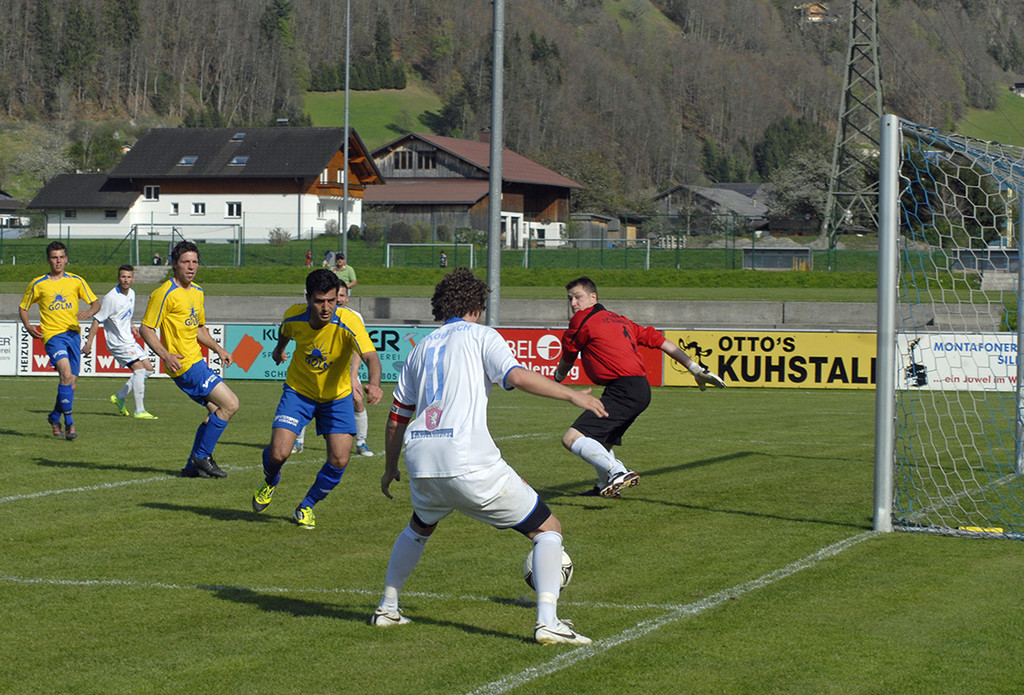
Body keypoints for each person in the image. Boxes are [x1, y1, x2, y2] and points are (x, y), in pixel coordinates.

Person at [372, 268, 607, 646]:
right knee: (548, 529)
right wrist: (572, 394)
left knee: (419, 527)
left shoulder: (420, 348)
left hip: (422, 458)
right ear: (478, 307)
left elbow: (398, 415)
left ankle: (387, 607)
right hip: (466, 458)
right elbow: (516, 376)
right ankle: (548, 622)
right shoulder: (482, 336)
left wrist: (389, 468)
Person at [553, 276, 726, 498]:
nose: (573, 303)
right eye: (570, 299)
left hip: (624, 390)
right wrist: (694, 368)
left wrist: (556, 379)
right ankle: (605, 486)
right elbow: (661, 341)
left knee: (572, 438)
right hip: (638, 389)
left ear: (593, 297)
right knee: (600, 442)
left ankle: (618, 472)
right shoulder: (621, 320)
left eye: (578, 297)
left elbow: (568, 355)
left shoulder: (582, 320)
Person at [251, 269, 383, 529]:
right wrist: (279, 350)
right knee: (278, 453)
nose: (326, 308)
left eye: (332, 300)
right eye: (319, 301)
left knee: (340, 460)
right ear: (308, 298)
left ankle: (306, 505)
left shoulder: (349, 321)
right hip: (299, 392)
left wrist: (375, 384)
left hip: (337, 397)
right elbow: (285, 331)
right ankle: (270, 479)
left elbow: (371, 357)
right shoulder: (294, 315)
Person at [140, 240, 239, 478]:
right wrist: (165, 354)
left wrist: (219, 349)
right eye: (186, 262)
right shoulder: (164, 293)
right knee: (231, 404)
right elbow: (146, 328)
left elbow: (198, 329)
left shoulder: (197, 292)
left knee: (215, 412)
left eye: (195, 262)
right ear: (175, 264)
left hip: (197, 361)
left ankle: (191, 467)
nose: (191, 266)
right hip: (184, 364)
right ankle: (202, 457)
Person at [18, 241, 100, 441]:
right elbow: (23, 307)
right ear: (48, 260)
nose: (58, 261)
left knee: (71, 383)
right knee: (65, 373)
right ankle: (69, 423)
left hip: (73, 335)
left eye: (61, 257)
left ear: (66, 259)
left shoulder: (76, 281)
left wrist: (89, 311)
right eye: (54, 257)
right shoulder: (38, 284)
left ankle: (55, 417)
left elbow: (96, 303)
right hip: (53, 336)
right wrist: (28, 325)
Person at [292, 279, 375, 457]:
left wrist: (353, 376)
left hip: (344, 371)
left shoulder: (354, 318)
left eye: (342, 296)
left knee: (357, 400)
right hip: (318, 370)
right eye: (336, 296)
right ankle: (298, 441)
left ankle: (361, 443)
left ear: (347, 298)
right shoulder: (316, 314)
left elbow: (359, 350)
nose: (339, 300)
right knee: (305, 399)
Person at [83, 264, 158, 420]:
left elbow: (126, 314)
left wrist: (132, 326)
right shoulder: (111, 298)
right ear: (118, 278)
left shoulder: (132, 293)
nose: (126, 280)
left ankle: (120, 396)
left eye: (129, 277)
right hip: (118, 342)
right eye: (123, 277)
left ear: (133, 279)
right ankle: (139, 410)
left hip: (129, 339)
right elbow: (97, 320)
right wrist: (89, 343)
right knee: (139, 370)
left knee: (149, 369)